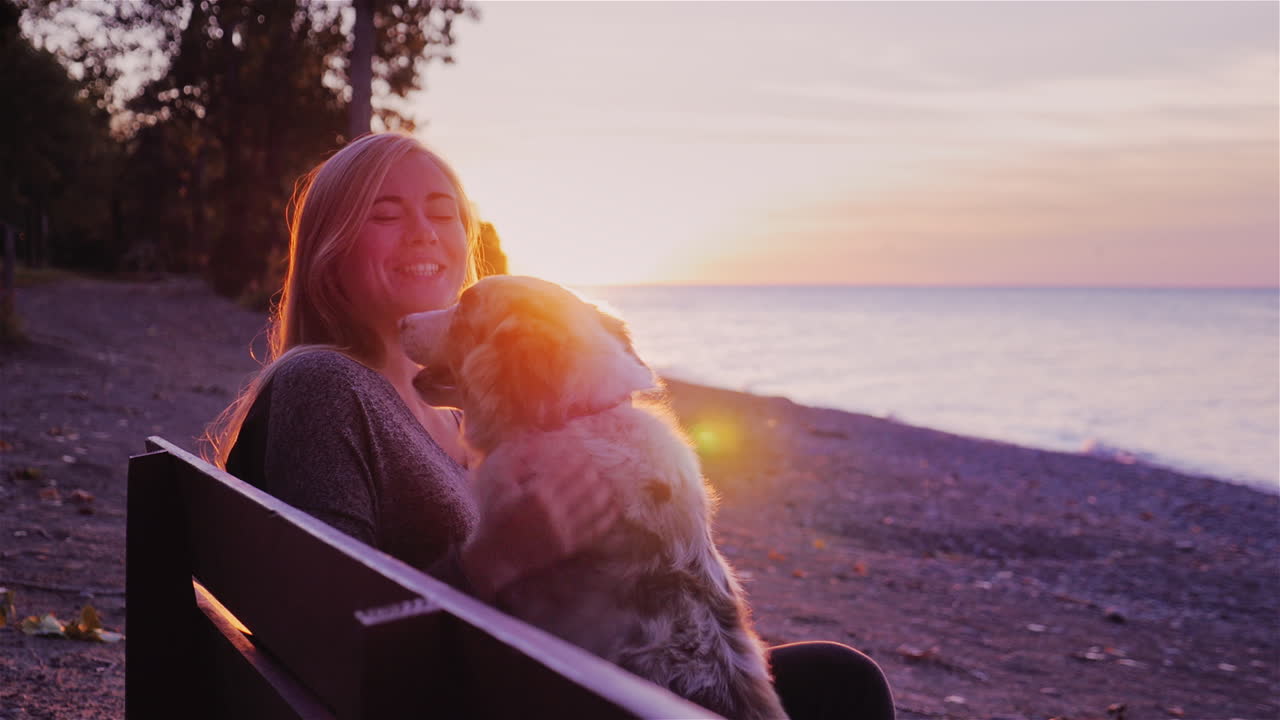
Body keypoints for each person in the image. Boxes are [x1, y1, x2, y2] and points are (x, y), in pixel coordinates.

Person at [207, 132, 894, 719]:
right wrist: (496, 560)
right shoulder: (327, 388)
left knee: (838, 679)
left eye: (442, 212)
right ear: (331, 250)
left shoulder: (456, 417)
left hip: (540, 681)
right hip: (485, 700)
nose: (423, 231)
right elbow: (323, 646)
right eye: (385, 214)